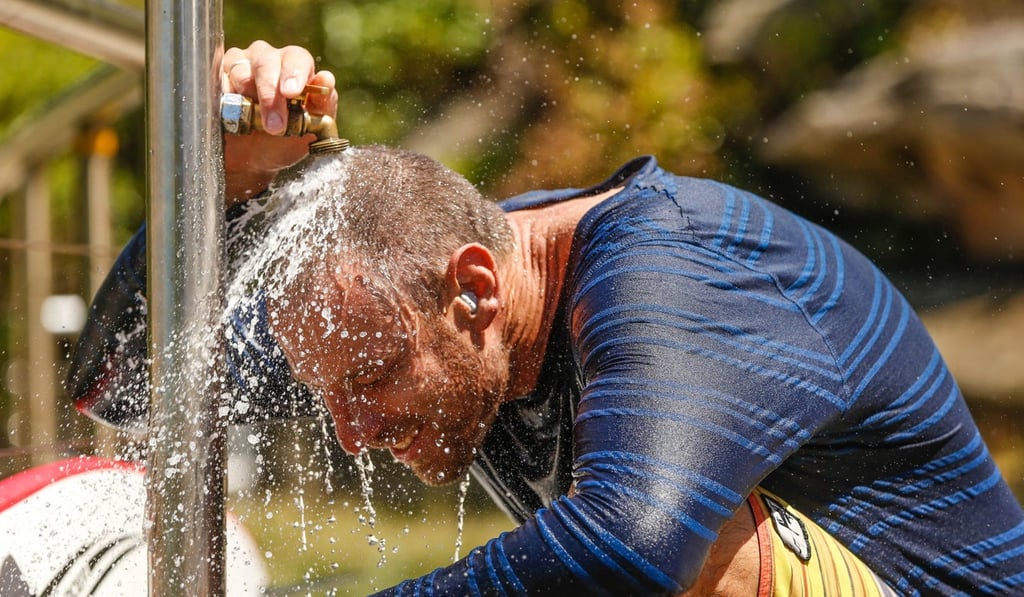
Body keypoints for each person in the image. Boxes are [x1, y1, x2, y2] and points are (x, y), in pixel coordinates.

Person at [66, 42, 1024, 595]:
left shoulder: (674, 267)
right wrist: (221, 187)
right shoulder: (397, 298)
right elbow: (131, 395)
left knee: (693, 551)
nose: (352, 431)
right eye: (334, 396)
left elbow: (630, 546)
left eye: (370, 384)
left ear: (475, 291)